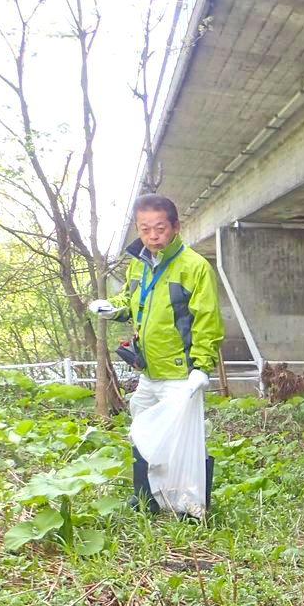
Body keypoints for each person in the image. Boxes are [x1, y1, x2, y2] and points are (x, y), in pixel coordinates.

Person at [88, 194, 224, 514]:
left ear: (176, 227)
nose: (152, 236)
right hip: (150, 372)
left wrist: (201, 366)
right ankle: (147, 497)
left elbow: (207, 320)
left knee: (183, 441)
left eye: (160, 228)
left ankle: (190, 507)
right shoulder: (139, 264)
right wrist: (113, 309)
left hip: (181, 375)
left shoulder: (194, 267)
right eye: (145, 229)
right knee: (143, 432)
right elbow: (132, 302)